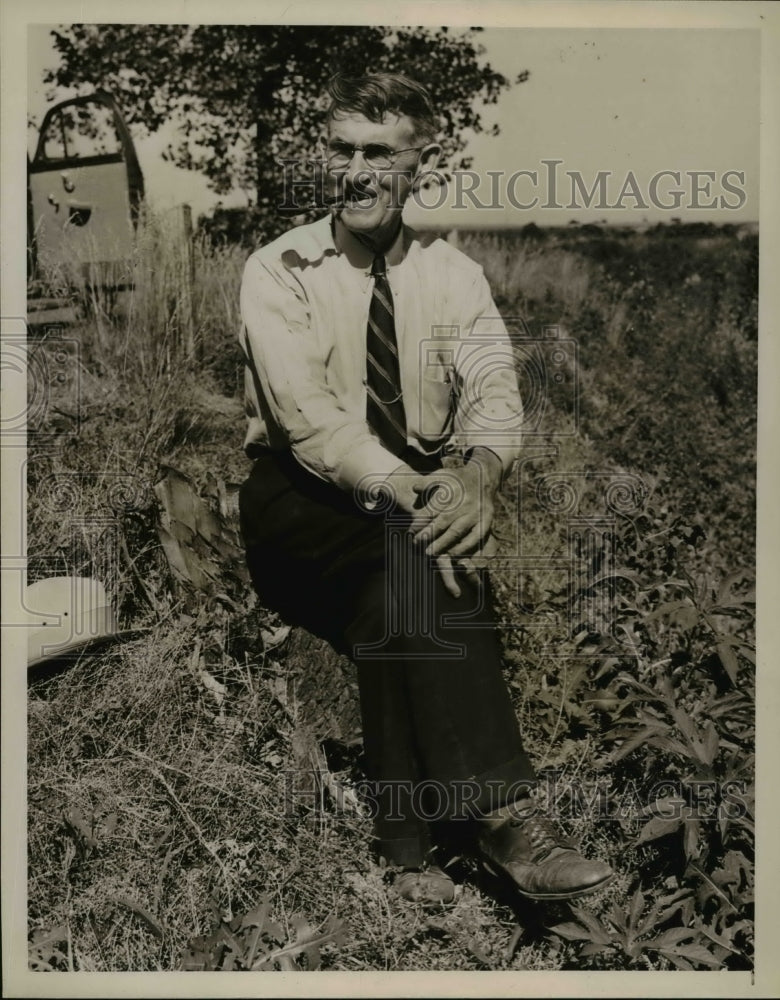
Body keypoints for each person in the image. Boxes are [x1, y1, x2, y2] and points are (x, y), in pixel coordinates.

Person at [238, 72, 613, 904]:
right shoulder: (280, 269)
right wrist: (416, 490)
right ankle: (510, 820)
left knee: (394, 597)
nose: (357, 171)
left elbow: (494, 393)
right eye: (342, 149)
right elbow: (310, 426)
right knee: (421, 549)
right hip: (302, 503)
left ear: (421, 166)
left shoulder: (454, 276)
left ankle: (408, 856)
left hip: (412, 501)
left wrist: (476, 476)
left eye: (379, 152)